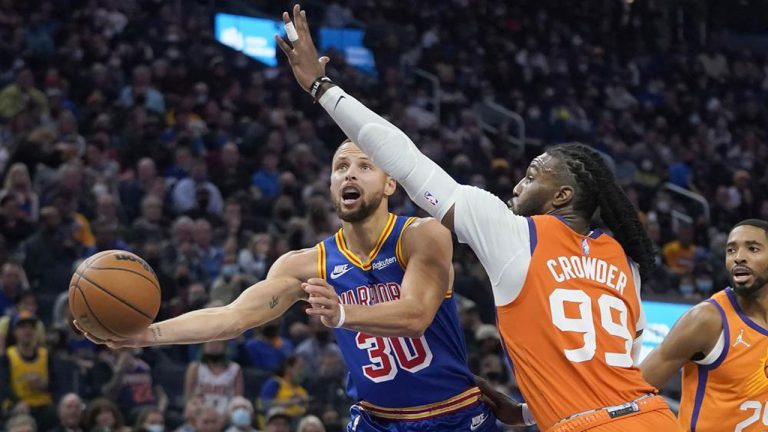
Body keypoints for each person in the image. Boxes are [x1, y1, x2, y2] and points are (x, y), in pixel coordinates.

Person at [275, 5, 680, 431]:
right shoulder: (625, 260)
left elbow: (407, 161)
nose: (519, 185)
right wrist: (526, 412)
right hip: (652, 417)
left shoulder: (514, 234)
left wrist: (320, 87)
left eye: (532, 176)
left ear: (562, 196)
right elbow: (619, 370)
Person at [75, 139, 501, 431]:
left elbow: (416, 315)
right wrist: (144, 335)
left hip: (451, 414)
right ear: (332, 185)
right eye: (340, 167)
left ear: (391, 184)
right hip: (375, 418)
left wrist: (344, 314)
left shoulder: (422, 235)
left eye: (365, 166)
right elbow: (232, 318)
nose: (349, 173)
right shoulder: (305, 264)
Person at [641, 219, 768, 431]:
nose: (738, 257)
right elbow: (633, 390)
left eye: (753, 248)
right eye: (731, 250)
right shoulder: (707, 319)